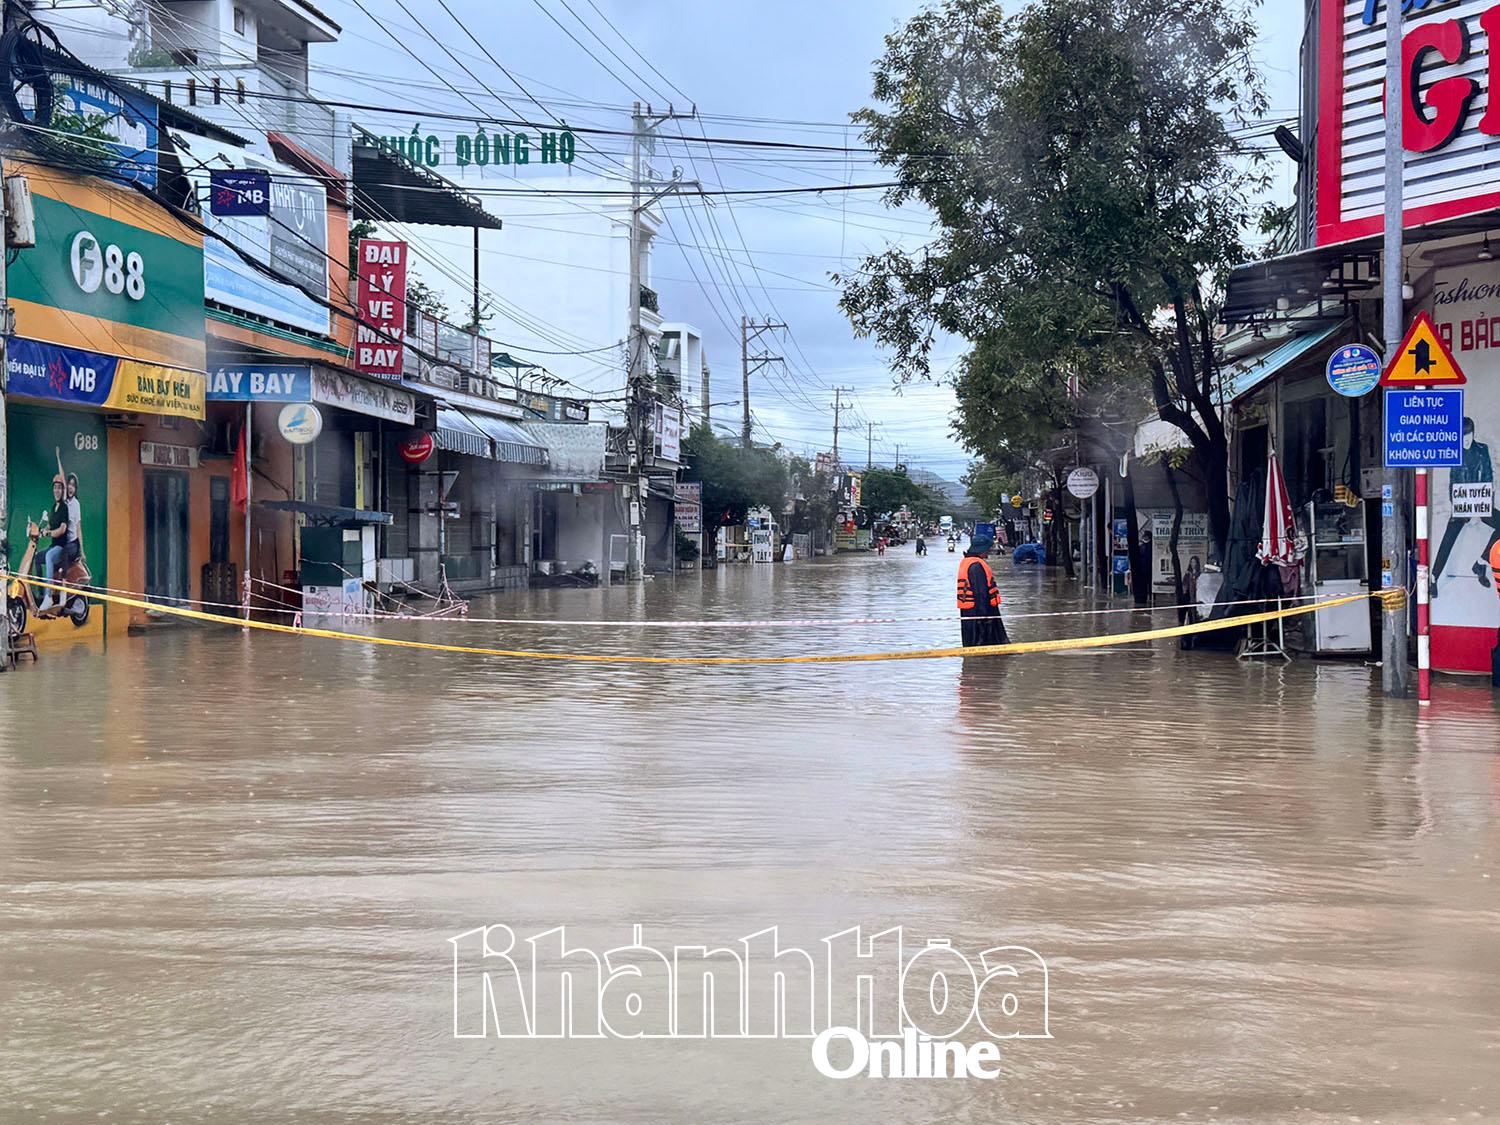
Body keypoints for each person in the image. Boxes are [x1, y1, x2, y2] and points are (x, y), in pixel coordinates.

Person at [1432, 417, 1493, 597]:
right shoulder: (1455, 452)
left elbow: (1488, 478)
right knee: (1448, 537)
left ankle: (1481, 562)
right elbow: (1453, 484)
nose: (1466, 439)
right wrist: (1461, 508)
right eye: (1463, 435)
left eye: (1469, 434)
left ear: (1474, 433)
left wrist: (1482, 509)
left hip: (1481, 504)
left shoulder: (1482, 450)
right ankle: (1434, 578)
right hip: (1462, 506)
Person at [957, 531, 1010, 648]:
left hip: (971, 614)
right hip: (980, 614)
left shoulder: (967, 562)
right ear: (981, 550)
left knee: (973, 646)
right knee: (985, 645)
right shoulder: (976, 566)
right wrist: (985, 619)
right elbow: (981, 594)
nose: (989, 552)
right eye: (987, 549)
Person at [37, 475, 70, 612]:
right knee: (38, 557)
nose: (57, 490)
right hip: (53, 546)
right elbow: (50, 526)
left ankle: (49, 596)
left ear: (62, 491)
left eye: (59, 488)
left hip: (61, 548)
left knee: (49, 556)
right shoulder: (52, 509)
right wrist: (42, 530)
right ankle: (41, 593)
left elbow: (62, 529)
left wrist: (49, 533)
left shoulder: (64, 508)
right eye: (55, 488)